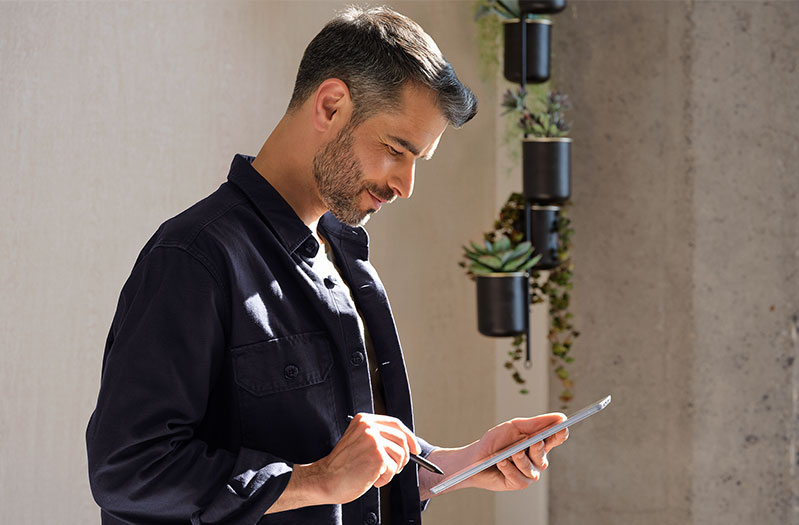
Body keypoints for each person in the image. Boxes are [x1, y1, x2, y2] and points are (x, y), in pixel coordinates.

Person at [86, 6, 569, 525]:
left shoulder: (348, 259)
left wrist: (459, 464)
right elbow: (127, 471)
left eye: (416, 162)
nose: (405, 186)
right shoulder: (195, 257)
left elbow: (346, 462)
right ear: (332, 105)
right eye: (395, 150)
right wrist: (315, 480)